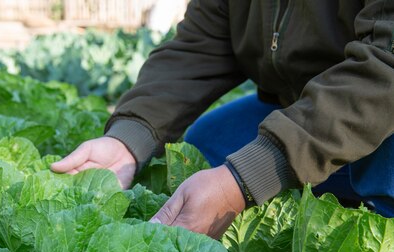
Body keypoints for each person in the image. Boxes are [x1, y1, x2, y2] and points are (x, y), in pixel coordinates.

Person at [51, 0, 394, 239]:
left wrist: (246, 178)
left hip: (381, 106)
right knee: (206, 146)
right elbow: (201, 43)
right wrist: (129, 138)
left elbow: (385, 68)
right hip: (309, 106)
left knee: (383, 165)